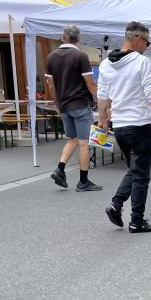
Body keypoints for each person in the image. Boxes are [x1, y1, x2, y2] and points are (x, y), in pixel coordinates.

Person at [99, 21, 151, 233]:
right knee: (141, 175)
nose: (147, 47)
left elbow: (103, 98)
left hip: (120, 127)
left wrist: (103, 121)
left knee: (134, 170)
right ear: (137, 39)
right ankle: (137, 220)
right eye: (147, 42)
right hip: (139, 124)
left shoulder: (106, 64)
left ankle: (116, 205)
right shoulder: (141, 63)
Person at [45, 24, 101, 192]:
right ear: (78, 39)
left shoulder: (51, 57)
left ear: (62, 37)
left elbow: (50, 84)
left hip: (64, 105)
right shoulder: (80, 56)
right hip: (80, 104)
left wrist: (57, 104)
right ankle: (83, 182)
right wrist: (101, 101)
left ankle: (60, 169)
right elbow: (90, 83)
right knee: (84, 144)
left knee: (74, 138)